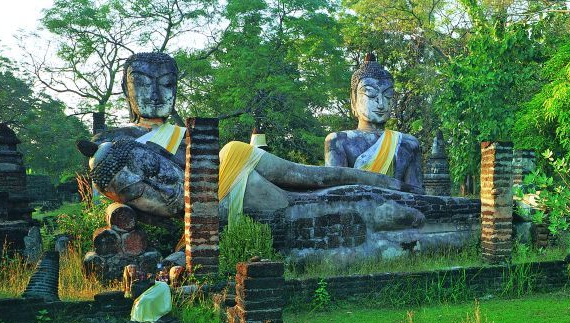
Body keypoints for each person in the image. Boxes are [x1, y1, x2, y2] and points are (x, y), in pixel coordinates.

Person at [81, 52, 402, 227]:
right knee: (304, 201)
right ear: (126, 90)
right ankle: (384, 201)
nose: (154, 94)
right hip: (214, 199)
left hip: (225, 168)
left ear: (176, 89)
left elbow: (192, 177)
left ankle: (386, 184)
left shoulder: (183, 135)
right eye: (142, 83)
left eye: (165, 84)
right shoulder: (111, 140)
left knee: (312, 176)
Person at [325, 54, 422, 193]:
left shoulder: (408, 144)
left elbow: (417, 195)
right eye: (371, 94)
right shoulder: (339, 141)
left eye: (388, 96)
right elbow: (334, 195)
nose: (381, 104)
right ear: (354, 98)